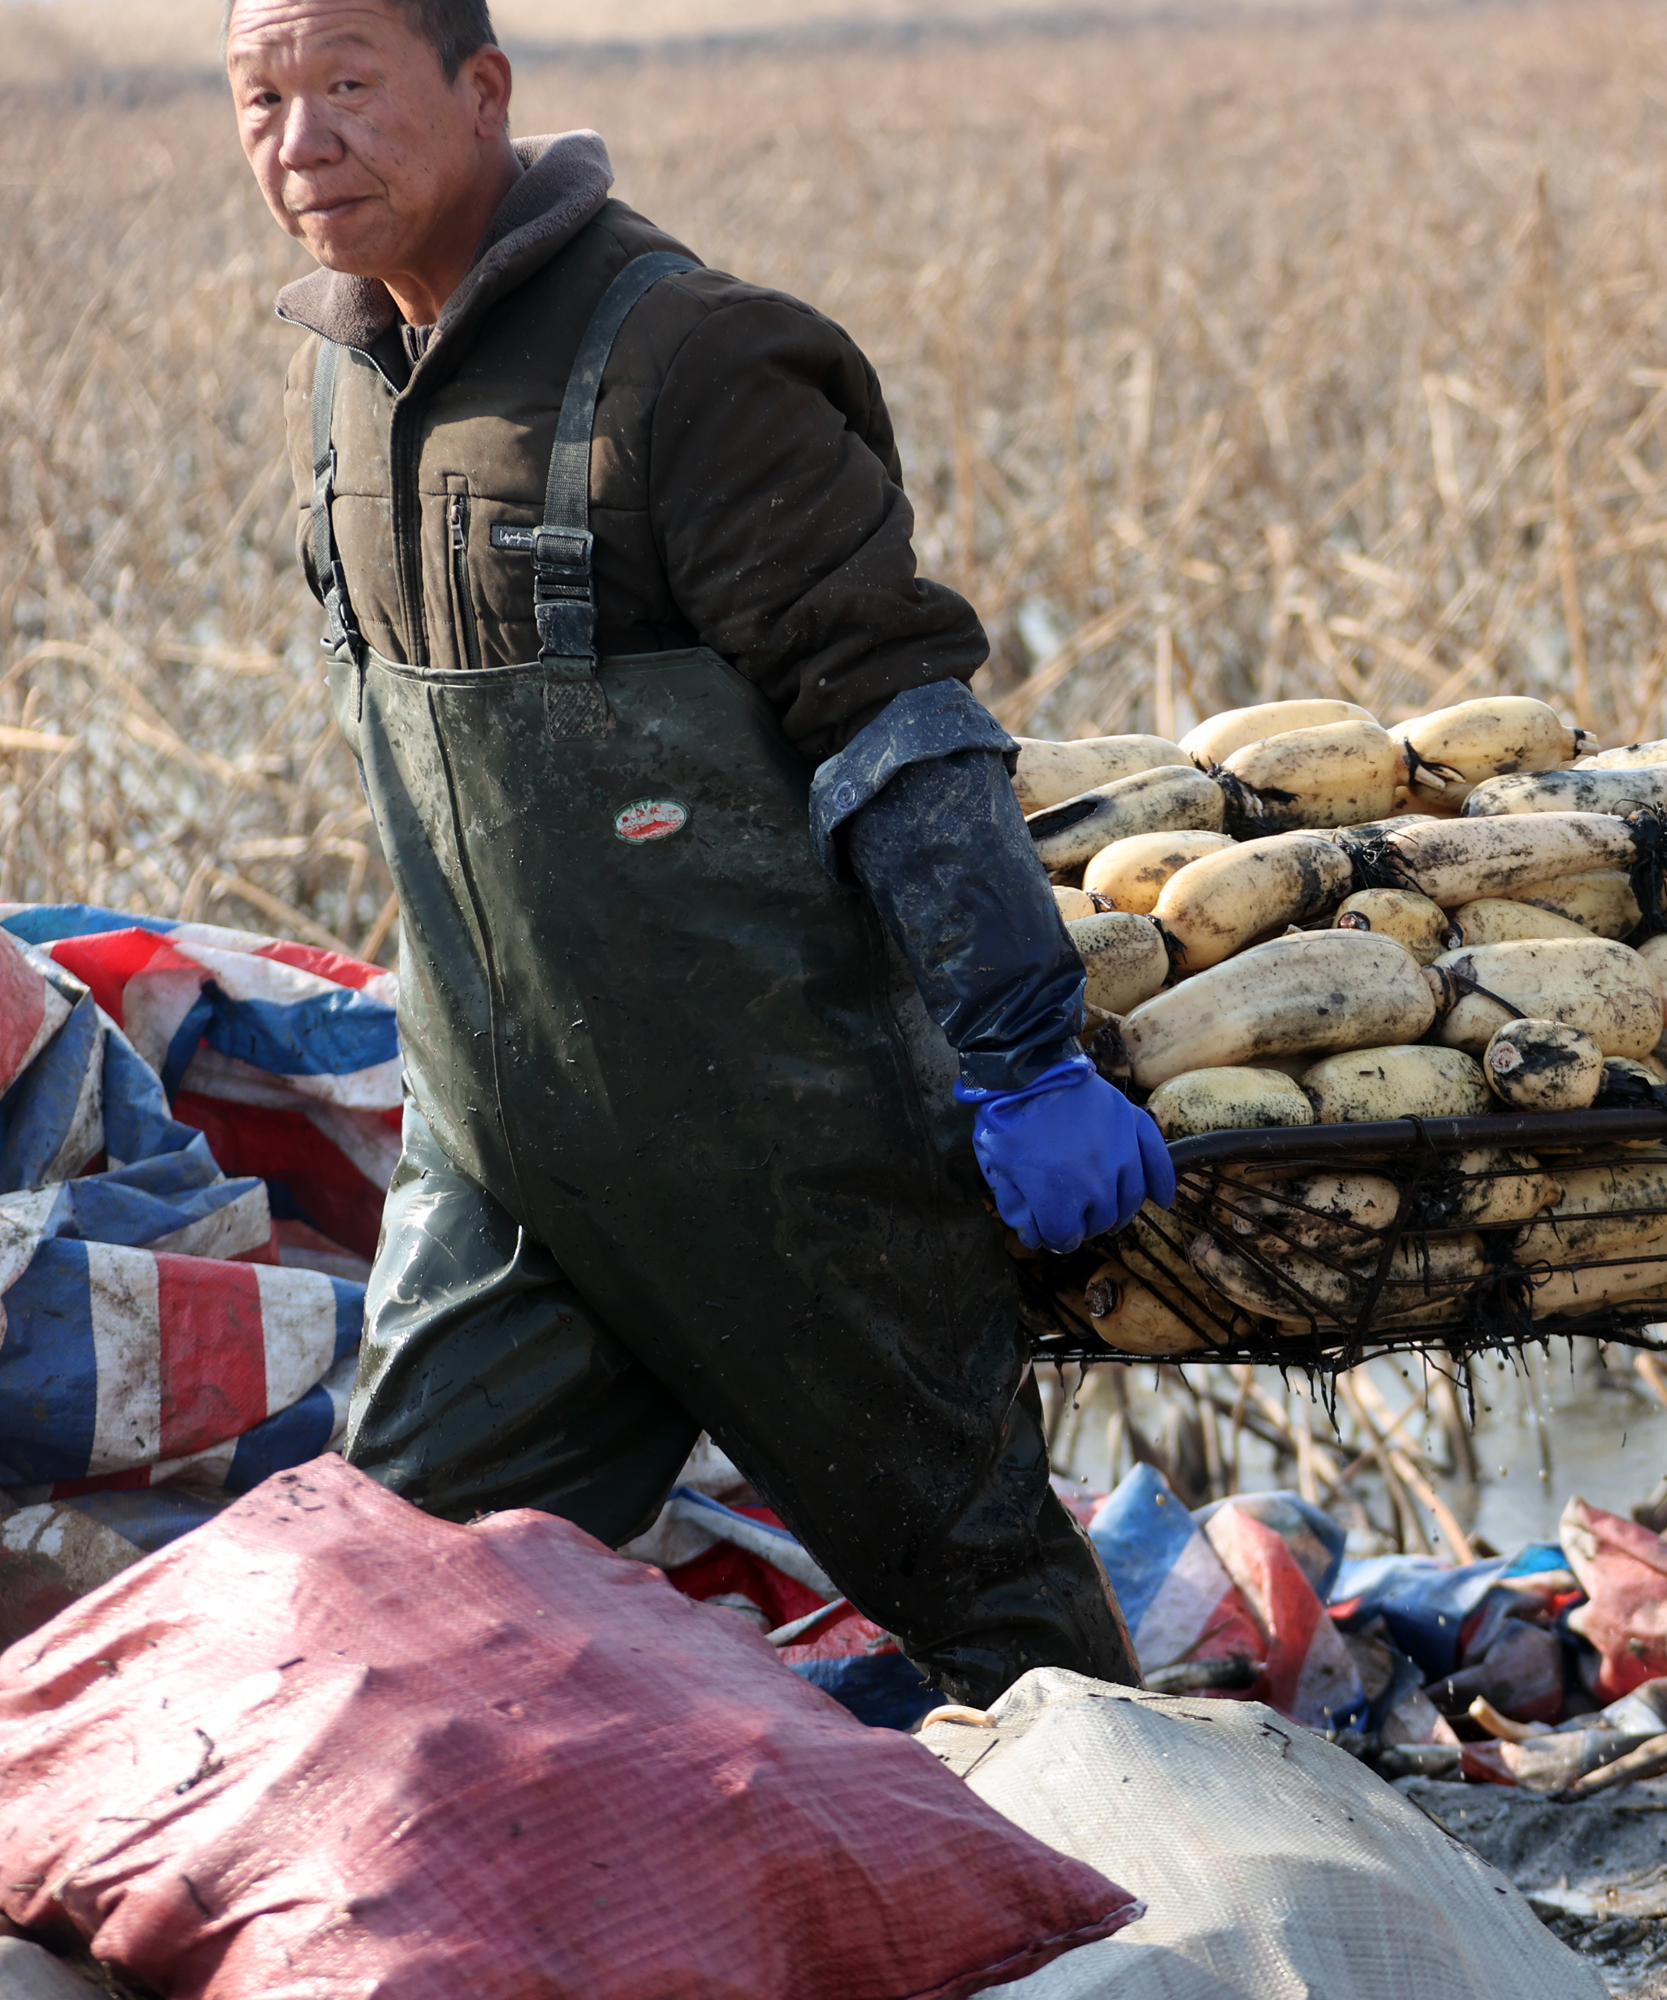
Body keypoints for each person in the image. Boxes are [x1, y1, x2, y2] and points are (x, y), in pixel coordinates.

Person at [227, 0, 1168, 1701]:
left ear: (484, 91)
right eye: (262, 99)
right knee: (397, 1615)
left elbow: (890, 714)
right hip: (509, 1150)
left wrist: (1022, 1048)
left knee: (998, 1628)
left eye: (350, 85)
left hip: (779, 1155)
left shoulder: (694, 362)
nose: (304, 141)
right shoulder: (344, 385)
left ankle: (1157, 1934)